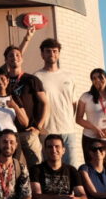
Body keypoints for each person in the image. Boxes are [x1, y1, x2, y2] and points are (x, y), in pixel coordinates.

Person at [31, 38, 83, 170]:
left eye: (55, 51)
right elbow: (35, 105)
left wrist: (67, 119)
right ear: (42, 54)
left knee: (71, 169)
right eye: (48, 51)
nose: (52, 54)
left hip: (67, 130)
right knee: (49, 170)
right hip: (47, 131)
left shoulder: (69, 76)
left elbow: (73, 103)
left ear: (59, 53)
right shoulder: (36, 77)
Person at [0, 46, 47, 166]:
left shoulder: (32, 80)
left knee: (36, 166)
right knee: (13, 168)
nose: (14, 58)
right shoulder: (2, 81)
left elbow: (45, 103)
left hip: (28, 132)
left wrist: (38, 127)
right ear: (6, 60)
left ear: (22, 59)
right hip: (9, 134)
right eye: (10, 55)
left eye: (17, 55)